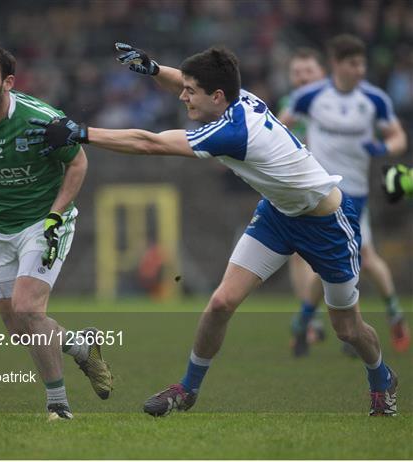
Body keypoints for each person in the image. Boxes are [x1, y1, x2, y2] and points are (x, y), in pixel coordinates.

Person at [26, 43, 398, 417]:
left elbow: (150, 143)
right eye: (183, 88)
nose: (183, 96)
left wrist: (82, 132)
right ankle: (187, 389)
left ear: (217, 96)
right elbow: (186, 85)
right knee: (221, 303)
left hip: (328, 224)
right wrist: (155, 69)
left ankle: (382, 379)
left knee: (348, 329)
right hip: (278, 215)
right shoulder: (237, 97)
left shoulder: (231, 133)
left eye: (191, 92)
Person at [0, 44, 112, 420]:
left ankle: (59, 406)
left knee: (29, 309)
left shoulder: (41, 119)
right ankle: (83, 348)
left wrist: (55, 214)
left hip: (44, 221)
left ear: (8, 82)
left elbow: (78, 163)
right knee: (18, 328)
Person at [281, 34, 410, 355]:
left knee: (357, 260)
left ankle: (311, 320)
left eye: (362, 62)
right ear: (337, 65)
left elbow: (398, 138)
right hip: (319, 193)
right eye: (354, 63)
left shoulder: (374, 99)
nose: (360, 69)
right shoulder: (309, 97)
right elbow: (279, 130)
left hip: (356, 197)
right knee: (343, 261)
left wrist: (383, 147)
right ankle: (354, 326)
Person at [277, 48, 328, 353]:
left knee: (353, 255)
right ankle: (312, 320)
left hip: (339, 187)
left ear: (321, 73)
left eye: (308, 71)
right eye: (297, 72)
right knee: (297, 254)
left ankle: (346, 320)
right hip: (302, 189)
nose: (302, 77)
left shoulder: (336, 101)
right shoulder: (289, 104)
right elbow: (277, 137)